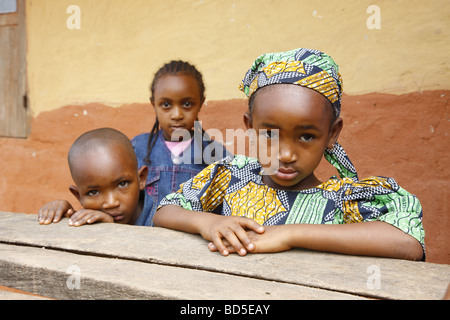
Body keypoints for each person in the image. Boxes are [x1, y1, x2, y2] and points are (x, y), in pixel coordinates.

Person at [154, 48, 425, 261]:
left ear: (332, 133)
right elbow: (164, 211)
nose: (285, 154)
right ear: (249, 127)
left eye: (306, 136)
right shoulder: (229, 176)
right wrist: (207, 222)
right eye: (269, 134)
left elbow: (408, 242)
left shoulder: (343, 200)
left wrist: (290, 234)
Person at [131, 60, 230, 226]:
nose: (176, 114)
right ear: (153, 104)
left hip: (191, 249)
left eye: (187, 104)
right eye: (166, 105)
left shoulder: (217, 156)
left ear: (200, 102)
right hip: (142, 244)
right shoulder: (136, 149)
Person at [38, 128, 148, 226]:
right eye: (93, 192)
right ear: (78, 196)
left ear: (141, 179)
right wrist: (65, 217)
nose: (111, 203)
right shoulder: (91, 220)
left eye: (122, 184)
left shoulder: (161, 216)